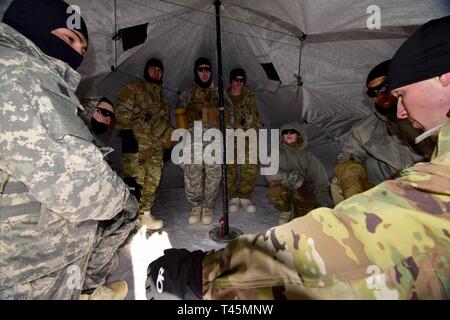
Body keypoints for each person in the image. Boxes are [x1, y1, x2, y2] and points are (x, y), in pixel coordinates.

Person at [146, 16, 450, 300]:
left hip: (235, 144)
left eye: (399, 94)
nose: (398, 109)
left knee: (227, 173)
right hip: (202, 139)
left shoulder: (238, 101)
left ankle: (230, 201)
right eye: (381, 95)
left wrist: (205, 274)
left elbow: (342, 244)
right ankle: (199, 206)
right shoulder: (367, 131)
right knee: (195, 174)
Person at [0, 0, 138, 299]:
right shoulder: (20, 73)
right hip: (25, 271)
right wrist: (125, 200)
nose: (77, 52)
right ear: (32, 25)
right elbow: (80, 187)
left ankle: (86, 288)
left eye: (82, 46)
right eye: (69, 38)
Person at [334, 60, 434, 201]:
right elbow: (347, 157)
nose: (380, 95)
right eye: (373, 92)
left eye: (384, 87)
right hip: (385, 190)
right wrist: (352, 179)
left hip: (427, 187)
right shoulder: (364, 129)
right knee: (338, 182)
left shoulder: (428, 117)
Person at [115, 58, 174, 230]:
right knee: (135, 183)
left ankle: (145, 215)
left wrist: (167, 146)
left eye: (159, 70)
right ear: (146, 71)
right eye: (153, 69)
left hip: (156, 149)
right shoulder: (134, 88)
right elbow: (122, 109)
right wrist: (126, 134)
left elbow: (165, 123)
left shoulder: (162, 98)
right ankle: (131, 221)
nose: (156, 72)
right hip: (137, 147)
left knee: (152, 183)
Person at [177, 57, 225, 225]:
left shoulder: (219, 93)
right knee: (193, 174)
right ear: (195, 72)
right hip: (192, 140)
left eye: (207, 69)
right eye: (201, 69)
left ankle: (208, 206)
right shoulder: (187, 94)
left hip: (213, 140)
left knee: (214, 174)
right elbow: (179, 118)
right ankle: (196, 205)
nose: (204, 73)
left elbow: (228, 116)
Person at [266, 122, 332, 225]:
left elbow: (320, 180)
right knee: (275, 189)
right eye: (285, 132)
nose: (288, 135)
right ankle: (285, 213)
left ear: (299, 135)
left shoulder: (308, 156)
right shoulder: (275, 152)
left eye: (292, 132)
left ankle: (301, 213)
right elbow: (270, 172)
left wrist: (322, 205)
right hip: (285, 188)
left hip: (303, 191)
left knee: (304, 223)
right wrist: (292, 179)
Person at [226, 68, 261, 214]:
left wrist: (255, 138)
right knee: (230, 168)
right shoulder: (223, 96)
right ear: (231, 80)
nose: (238, 83)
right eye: (236, 79)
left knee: (250, 167)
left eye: (242, 80)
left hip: (247, 137)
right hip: (228, 138)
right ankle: (234, 197)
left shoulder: (249, 96)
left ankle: (245, 197)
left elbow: (256, 118)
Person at [79, 97, 123, 176]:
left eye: (111, 116)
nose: (108, 118)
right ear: (91, 109)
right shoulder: (76, 127)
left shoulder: (107, 140)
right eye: (105, 113)